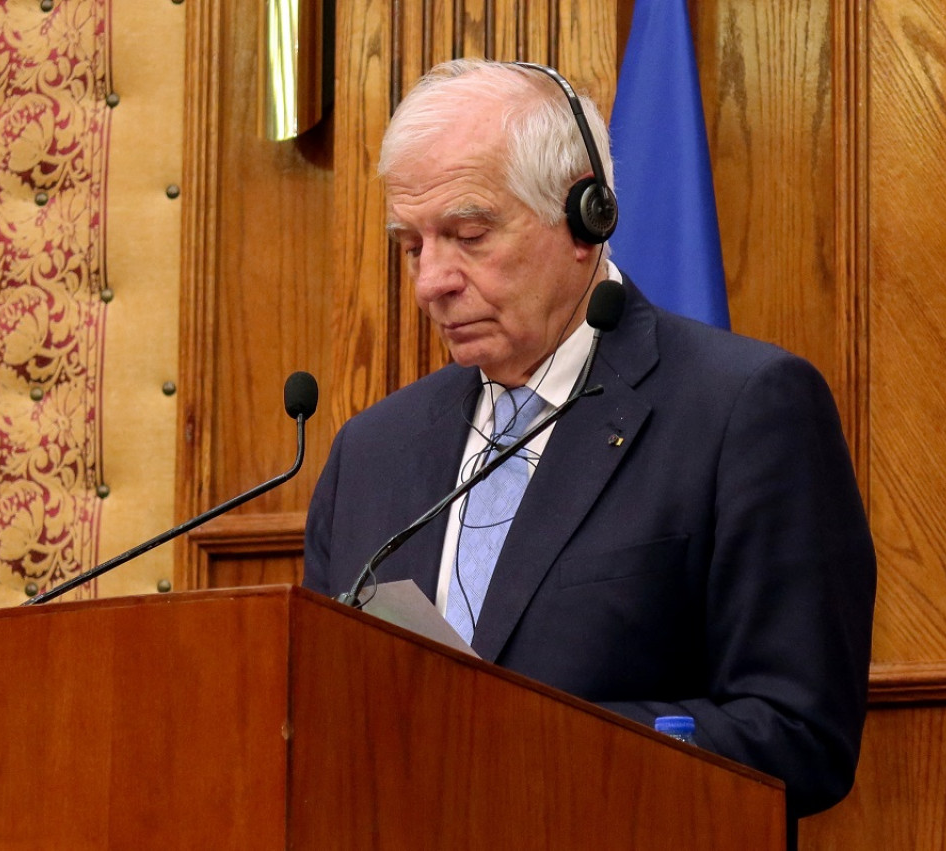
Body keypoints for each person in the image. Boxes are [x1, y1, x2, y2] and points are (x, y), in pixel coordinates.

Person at [303, 58, 876, 832]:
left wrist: (529, 746)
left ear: (584, 218)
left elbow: (799, 733)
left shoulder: (742, 409)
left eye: (468, 235)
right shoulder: (370, 453)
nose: (430, 282)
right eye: (412, 246)